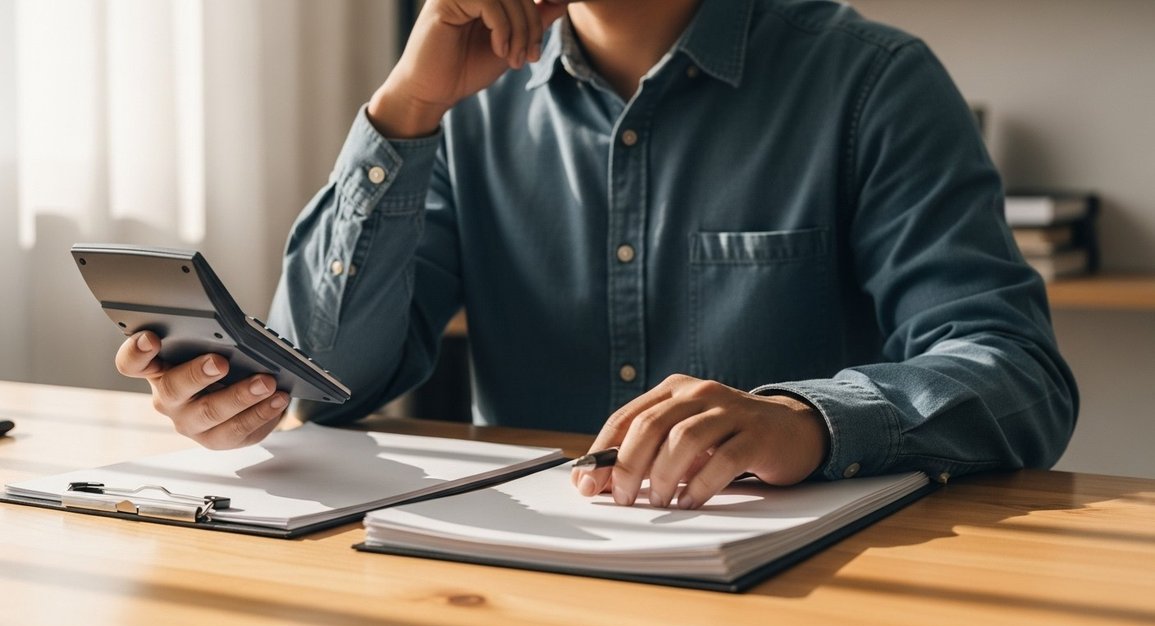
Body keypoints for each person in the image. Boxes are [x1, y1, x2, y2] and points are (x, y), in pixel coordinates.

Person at [116, 0, 1077, 511]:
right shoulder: (466, 96)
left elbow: (1014, 371)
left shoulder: (871, 83)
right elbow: (328, 381)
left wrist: (805, 419)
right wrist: (403, 112)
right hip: (518, 580)